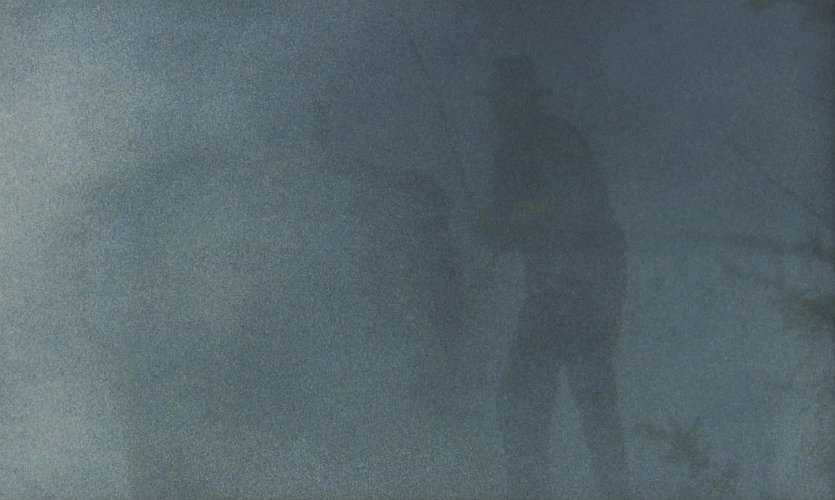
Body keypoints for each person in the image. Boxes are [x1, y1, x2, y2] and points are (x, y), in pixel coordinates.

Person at [479, 55, 630, 498]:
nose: (499, 107)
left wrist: (514, 219)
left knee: (572, 401)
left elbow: (573, 207)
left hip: (581, 289)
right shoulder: (510, 151)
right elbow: (511, 228)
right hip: (554, 290)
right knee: (529, 403)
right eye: (497, 99)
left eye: (507, 98)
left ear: (527, 99)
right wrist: (495, 228)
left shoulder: (555, 140)